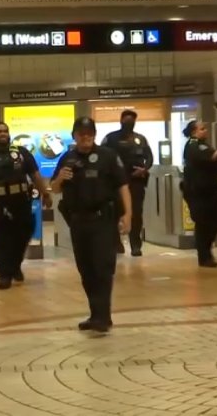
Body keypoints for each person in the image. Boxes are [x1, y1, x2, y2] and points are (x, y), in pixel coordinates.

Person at [51, 117, 132, 333]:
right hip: (78, 221)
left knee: (102, 267)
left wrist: (128, 215)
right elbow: (55, 189)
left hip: (102, 220)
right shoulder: (67, 159)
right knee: (86, 269)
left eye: (89, 133)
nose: (85, 137)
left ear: (94, 135)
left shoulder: (107, 156)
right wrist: (60, 178)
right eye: (81, 133)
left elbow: (123, 186)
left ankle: (103, 316)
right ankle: (96, 314)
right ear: (75, 135)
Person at [0, 122, 52, 289]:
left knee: (24, 233)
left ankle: (15, 266)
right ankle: (4, 274)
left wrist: (45, 193)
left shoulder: (21, 153)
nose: (3, 134)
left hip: (20, 200)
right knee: (1, 238)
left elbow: (35, 175)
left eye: (5, 131)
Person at [180, 120, 217, 268]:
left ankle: (205, 250)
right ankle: (204, 255)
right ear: (194, 132)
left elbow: (214, 165)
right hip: (199, 192)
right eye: (202, 129)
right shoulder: (194, 146)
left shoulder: (204, 144)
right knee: (204, 223)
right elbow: (214, 156)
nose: (205, 131)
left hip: (210, 190)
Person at [101, 109, 154, 257]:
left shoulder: (140, 139)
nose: (129, 123)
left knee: (136, 213)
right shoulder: (110, 138)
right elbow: (102, 157)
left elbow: (149, 157)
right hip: (115, 183)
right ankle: (117, 243)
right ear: (121, 121)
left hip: (136, 181)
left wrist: (144, 169)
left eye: (132, 121)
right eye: (126, 120)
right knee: (114, 212)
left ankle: (135, 245)